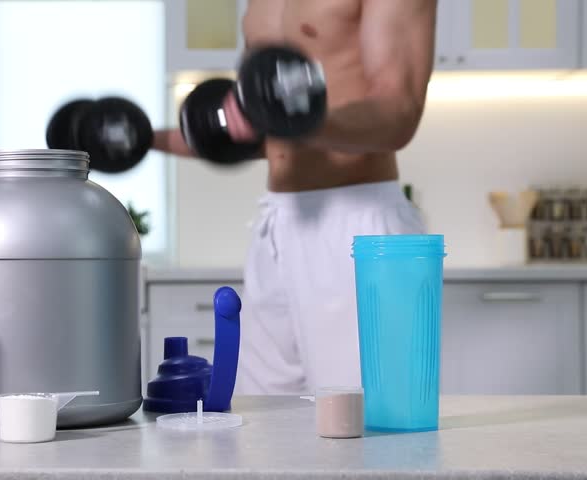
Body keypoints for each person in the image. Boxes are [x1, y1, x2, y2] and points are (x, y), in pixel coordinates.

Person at [152, 0, 437, 393]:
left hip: (358, 225)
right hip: (277, 225)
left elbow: (399, 110)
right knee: (265, 422)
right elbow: (267, 131)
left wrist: (302, 122)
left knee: (366, 426)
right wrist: (142, 140)